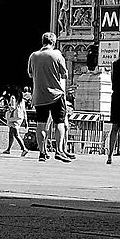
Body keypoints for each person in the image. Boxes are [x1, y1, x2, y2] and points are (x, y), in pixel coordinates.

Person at [27, 33, 74, 161]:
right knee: (59, 122)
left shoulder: (33, 56)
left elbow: (30, 74)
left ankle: (42, 152)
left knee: (41, 124)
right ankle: (59, 150)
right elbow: (64, 74)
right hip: (56, 95)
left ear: (42, 41)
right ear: (53, 42)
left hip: (39, 95)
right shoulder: (57, 55)